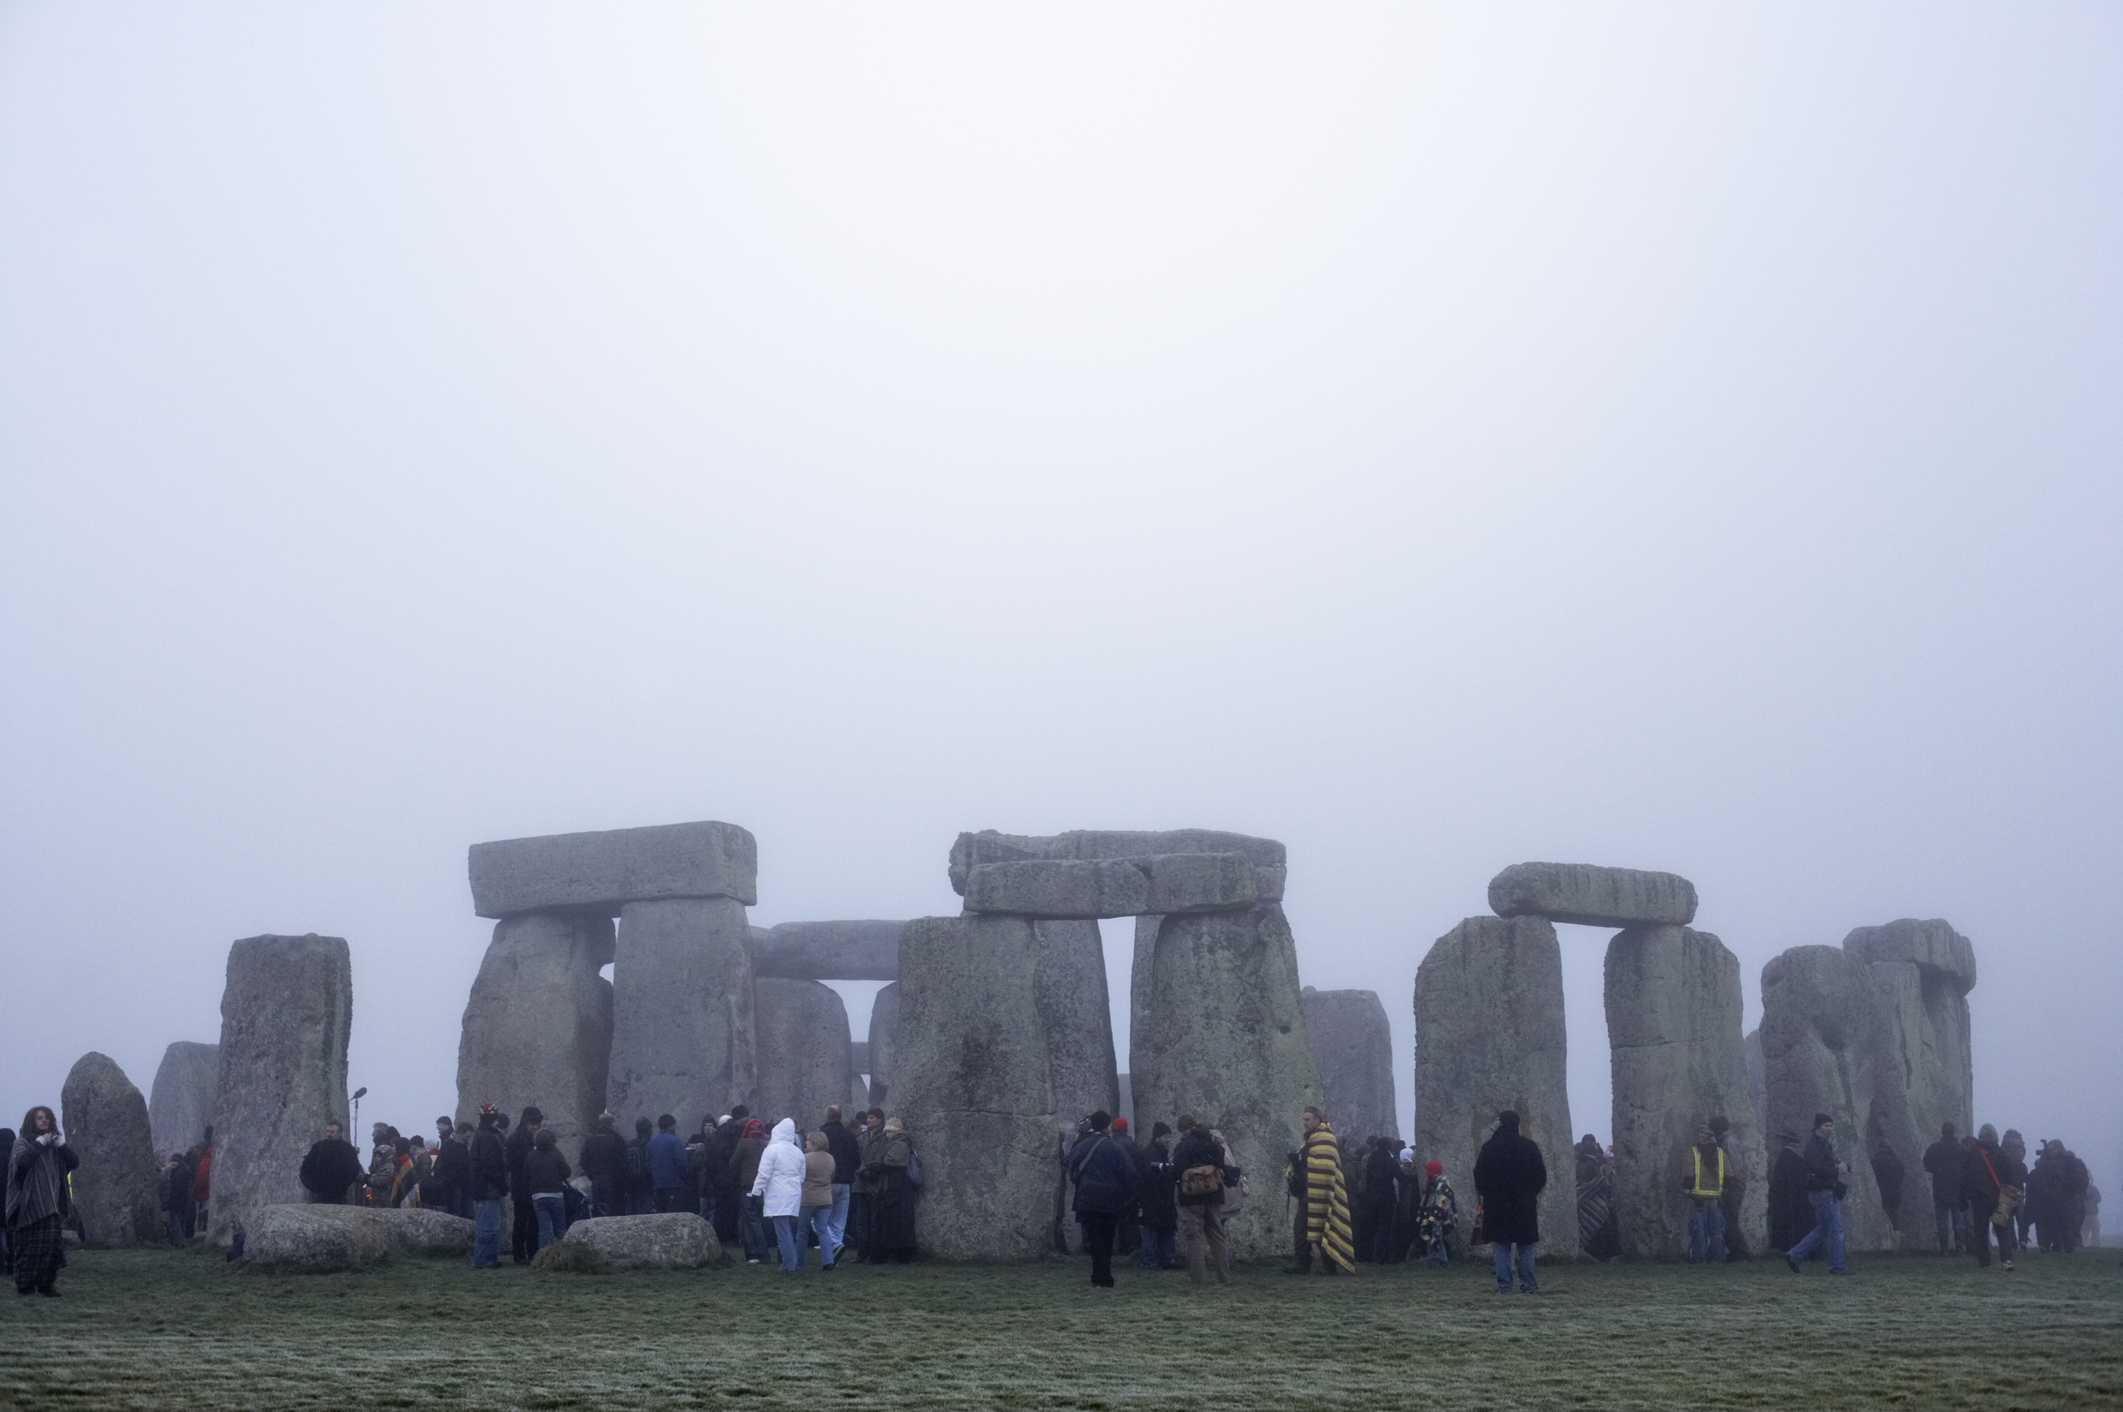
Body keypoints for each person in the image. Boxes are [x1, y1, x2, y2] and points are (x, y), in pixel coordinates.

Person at [1474, 1109, 1547, 1293]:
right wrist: (1531, 1192)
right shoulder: (1530, 1147)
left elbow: (1479, 1176)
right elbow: (1541, 1176)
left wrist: (1488, 1194)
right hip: (1524, 1203)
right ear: (1517, 1124)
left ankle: (1504, 1286)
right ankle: (1529, 1285)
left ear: (1501, 1123)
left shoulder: (1490, 1147)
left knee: (1501, 1246)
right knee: (1526, 1245)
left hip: (1497, 1204)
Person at [7, 1107, 76, 1296]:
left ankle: (46, 1285)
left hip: (51, 1203)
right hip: (28, 1204)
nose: (44, 1121)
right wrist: (39, 1143)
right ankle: (25, 1285)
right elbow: (22, 1163)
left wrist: (61, 1145)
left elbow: (74, 1162)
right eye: (39, 1118)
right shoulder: (22, 1143)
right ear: (32, 1121)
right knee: (27, 1248)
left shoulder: (54, 1147)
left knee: (50, 1248)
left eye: (47, 1118)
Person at [1066, 1111, 1137, 1289]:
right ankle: (1104, 1276)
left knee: (1094, 1237)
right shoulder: (1115, 1148)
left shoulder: (1082, 1145)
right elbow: (1130, 1173)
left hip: (1087, 1197)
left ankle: (1099, 1275)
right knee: (1107, 1237)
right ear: (1108, 1126)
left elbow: (1069, 1163)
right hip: (1110, 1199)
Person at [1169, 1113, 1231, 1287]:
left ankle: (1198, 1280)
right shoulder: (1212, 1143)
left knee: (1194, 1236)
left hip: (1192, 1198)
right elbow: (1222, 1163)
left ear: (1186, 1129)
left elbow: (1176, 1171)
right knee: (1217, 1236)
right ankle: (1225, 1277)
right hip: (1213, 1195)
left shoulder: (1184, 1146)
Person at [1785, 1113, 1849, 1276]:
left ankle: (1795, 1254)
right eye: (1825, 1126)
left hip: (1819, 1192)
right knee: (1836, 1230)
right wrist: (1837, 1169)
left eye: (1830, 1125)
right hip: (1824, 1191)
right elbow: (1817, 1169)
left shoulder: (1821, 1144)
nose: (1829, 1129)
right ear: (1817, 1127)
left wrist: (1841, 1166)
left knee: (1822, 1229)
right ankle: (1837, 1267)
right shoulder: (1815, 1145)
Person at [1298, 1108, 1354, 1275]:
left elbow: (1325, 1165)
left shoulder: (1326, 1138)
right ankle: (1303, 1263)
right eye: (1304, 1120)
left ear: (1318, 1120)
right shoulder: (1309, 1139)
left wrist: (1305, 1157)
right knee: (1302, 1227)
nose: (1304, 1123)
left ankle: (1328, 1264)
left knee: (1322, 1227)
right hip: (1308, 1191)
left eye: (1308, 1120)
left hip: (1322, 1192)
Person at [1962, 1123, 2020, 1271]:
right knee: (2002, 1229)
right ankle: (2007, 1260)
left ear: (1980, 1138)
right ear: (1995, 1137)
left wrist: (1966, 1195)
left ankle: (1984, 1263)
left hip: (1980, 1199)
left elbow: (1966, 1177)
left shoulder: (1973, 1154)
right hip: (2000, 1198)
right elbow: (2010, 1176)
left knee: (1981, 1231)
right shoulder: (2001, 1153)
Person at [861, 1117, 919, 1264]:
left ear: (896, 1132)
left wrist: (875, 1166)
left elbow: (891, 1161)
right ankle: (897, 1253)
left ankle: (898, 1254)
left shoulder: (899, 1143)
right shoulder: (899, 1142)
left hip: (897, 1186)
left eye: (890, 1132)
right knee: (896, 1222)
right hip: (896, 1185)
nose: (887, 1135)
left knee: (896, 1222)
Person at [1682, 1125, 1732, 1264]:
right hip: (1716, 1199)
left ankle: (1700, 1259)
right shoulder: (1721, 1154)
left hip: (1697, 1199)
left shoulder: (1692, 1153)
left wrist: (1688, 1193)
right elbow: (1729, 1176)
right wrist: (1723, 1193)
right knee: (1716, 1232)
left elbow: (1688, 1176)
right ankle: (1718, 1258)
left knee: (1698, 1232)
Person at [469, 1105, 510, 1268]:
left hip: (485, 1187)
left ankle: (488, 1259)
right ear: (494, 1119)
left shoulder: (482, 1135)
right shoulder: (487, 1138)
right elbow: (490, 1166)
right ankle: (482, 1260)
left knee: (489, 1225)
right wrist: (502, 1183)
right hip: (488, 1188)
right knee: (488, 1226)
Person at [1134, 1121, 1179, 1271]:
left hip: (1162, 1198)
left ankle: (1165, 1259)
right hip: (1153, 1198)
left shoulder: (1158, 1153)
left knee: (1166, 1228)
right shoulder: (1150, 1154)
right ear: (1157, 1137)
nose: (1168, 1140)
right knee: (1151, 1230)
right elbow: (1149, 1176)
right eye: (1166, 1136)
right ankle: (1150, 1261)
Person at [727, 1116, 770, 1262]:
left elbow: (733, 1163)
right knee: (759, 1218)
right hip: (765, 1186)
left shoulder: (744, 1143)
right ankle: (755, 1253)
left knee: (750, 1218)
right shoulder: (767, 1143)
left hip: (748, 1185)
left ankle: (759, 1254)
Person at [821, 1105, 861, 1264]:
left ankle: (836, 1245)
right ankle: (833, 1258)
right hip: (845, 1183)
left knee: (818, 1218)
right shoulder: (849, 1135)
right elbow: (857, 1161)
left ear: (827, 1116)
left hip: (826, 1182)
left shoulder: (822, 1134)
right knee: (838, 1222)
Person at [1707, 1116, 1750, 1261]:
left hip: (1733, 1186)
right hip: (1732, 1185)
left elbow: (1735, 1168)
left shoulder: (1728, 1142)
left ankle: (1742, 1252)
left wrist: (1727, 1184)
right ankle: (1736, 1251)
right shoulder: (1726, 1141)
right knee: (1728, 1219)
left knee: (1731, 1219)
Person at [523, 1128, 572, 1249]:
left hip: (538, 1195)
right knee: (560, 1228)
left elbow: (525, 1175)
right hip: (556, 1194)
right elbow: (567, 1172)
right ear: (553, 1141)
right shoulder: (556, 1154)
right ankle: (564, 1255)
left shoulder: (531, 1155)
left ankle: (543, 1258)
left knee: (543, 1229)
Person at [1923, 1122, 1967, 1254]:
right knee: (1958, 1219)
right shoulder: (1961, 1149)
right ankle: (1959, 1247)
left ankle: (1944, 1248)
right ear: (1954, 1132)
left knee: (1942, 1219)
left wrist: (1937, 1169)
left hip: (1940, 1187)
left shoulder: (1934, 1148)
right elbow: (1967, 1168)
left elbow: (1927, 1165)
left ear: (1942, 1132)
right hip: (1957, 1188)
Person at [851, 1108, 887, 1259]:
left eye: (872, 1118)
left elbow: (882, 1156)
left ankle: (874, 1254)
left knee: (875, 1220)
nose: (868, 1120)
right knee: (862, 1222)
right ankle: (862, 1253)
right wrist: (863, 1169)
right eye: (868, 1118)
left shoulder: (884, 1138)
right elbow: (857, 1157)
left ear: (879, 1119)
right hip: (861, 1182)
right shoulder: (861, 1138)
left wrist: (870, 1169)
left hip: (876, 1182)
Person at [799, 1130, 839, 1271]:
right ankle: (828, 1261)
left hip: (807, 1198)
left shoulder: (805, 1158)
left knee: (802, 1232)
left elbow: (800, 1177)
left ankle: (799, 1262)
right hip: (825, 1198)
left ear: (814, 1142)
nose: (806, 1142)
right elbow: (831, 1177)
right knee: (823, 1231)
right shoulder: (830, 1158)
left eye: (808, 1140)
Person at [1767, 1130, 1812, 1252]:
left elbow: (1779, 1177)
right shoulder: (1802, 1153)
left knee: (1787, 1220)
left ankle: (1786, 1246)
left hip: (1787, 1194)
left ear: (1786, 1140)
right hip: (1802, 1193)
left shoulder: (1786, 1154)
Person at [299, 1122, 364, 1205]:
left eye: (332, 1132)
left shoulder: (348, 1149)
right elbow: (305, 1168)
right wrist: (312, 1186)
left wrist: (342, 1186)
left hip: (339, 1196)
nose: (329, 1134)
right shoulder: (318, 1147)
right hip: (319, 1195)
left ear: (339, 1133)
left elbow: (354, 1170)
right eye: (327, 1131)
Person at [1361, 1137, 1401, 1263]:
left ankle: (1367, 1255)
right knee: (1385, 1226)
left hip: (1372, 1196)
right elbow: (1400, 1177)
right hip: (1386, 1196)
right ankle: (1381, 1256)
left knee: (1372, 1226)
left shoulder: (1371, 1159)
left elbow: (1367, 1178)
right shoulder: (1391, 1161)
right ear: (1389, 1147)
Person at [579, 1113, 626, 1218]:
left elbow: (583, 1162)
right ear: (612, 1125)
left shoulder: (590, 1141)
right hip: (615, 1181)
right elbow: (623, 1162)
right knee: (615, 1212)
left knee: (600, 1212)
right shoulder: (617, 1139)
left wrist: (591, 1174)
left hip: (597, 1181)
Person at [1109, 1117, 1141, 1258]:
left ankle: (1118, 1246)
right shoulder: (1132, 1145)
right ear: (1126, 1129)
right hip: (1130, 1186)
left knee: (1114, 1217)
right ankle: (1132, 1245)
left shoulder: (1111, 1144)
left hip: (1114, 1185)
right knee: (1130, 1216)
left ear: (1114, 1129)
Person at [647, 1114, 688, 1214]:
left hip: (657, 1186)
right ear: (670, 1126)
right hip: (674, 1185)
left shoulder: (651, 1143)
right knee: (674, 1215)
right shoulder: (675, 1141)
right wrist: (683, 1178)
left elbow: (647, 1165)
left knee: (661, 1215)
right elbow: (682, 1163)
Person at [1872, 1142, 1906, 1233]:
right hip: (1895, 1192)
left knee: (1880, 1218)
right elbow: (1902, 1175)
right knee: (1894, 1219)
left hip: (1882, 1193)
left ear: (1879, 1148)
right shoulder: (1897, 1161)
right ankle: (1896, 1243)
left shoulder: (1877, 1160)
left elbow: (1874, 1177)